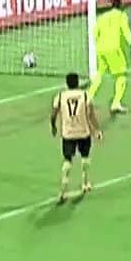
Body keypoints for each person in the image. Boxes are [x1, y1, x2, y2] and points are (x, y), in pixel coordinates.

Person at [51, 72, 101, 203]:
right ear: (78, 82)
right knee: (85, 157)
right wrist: (97, 129)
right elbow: (91, 115)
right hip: (83, 132)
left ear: (67, 83)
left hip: (68, 133)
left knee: (67, 160)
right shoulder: (85, 95)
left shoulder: (60, 96)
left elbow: (54, 114)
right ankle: (85, 183)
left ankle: (63, 190)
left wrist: (53, 126)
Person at [87, 0, 131, 114]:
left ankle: (88, 97)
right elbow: (126, 31)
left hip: (101, 49)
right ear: (120, 5)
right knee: (121, 75)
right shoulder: (121, 16)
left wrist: (100, 44)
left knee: (99, 73)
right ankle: (116, 103)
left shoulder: (102, 17)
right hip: (113, 49)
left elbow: (94, 33)